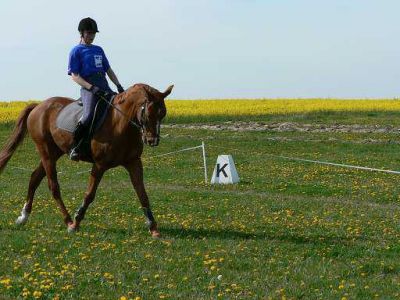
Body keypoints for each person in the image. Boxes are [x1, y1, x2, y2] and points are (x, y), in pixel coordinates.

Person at [67, 17, 124, 161]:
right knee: (88, 116)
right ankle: (76, 146)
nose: (91, 36)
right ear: (82, 33)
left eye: (93, 34)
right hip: (88, 88)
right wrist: (91, 88)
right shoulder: (76, 51)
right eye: (88, 33)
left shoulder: (99, 50)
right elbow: (74, 76)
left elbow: (109, 70)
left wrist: (118, 85)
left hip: (104, 85)